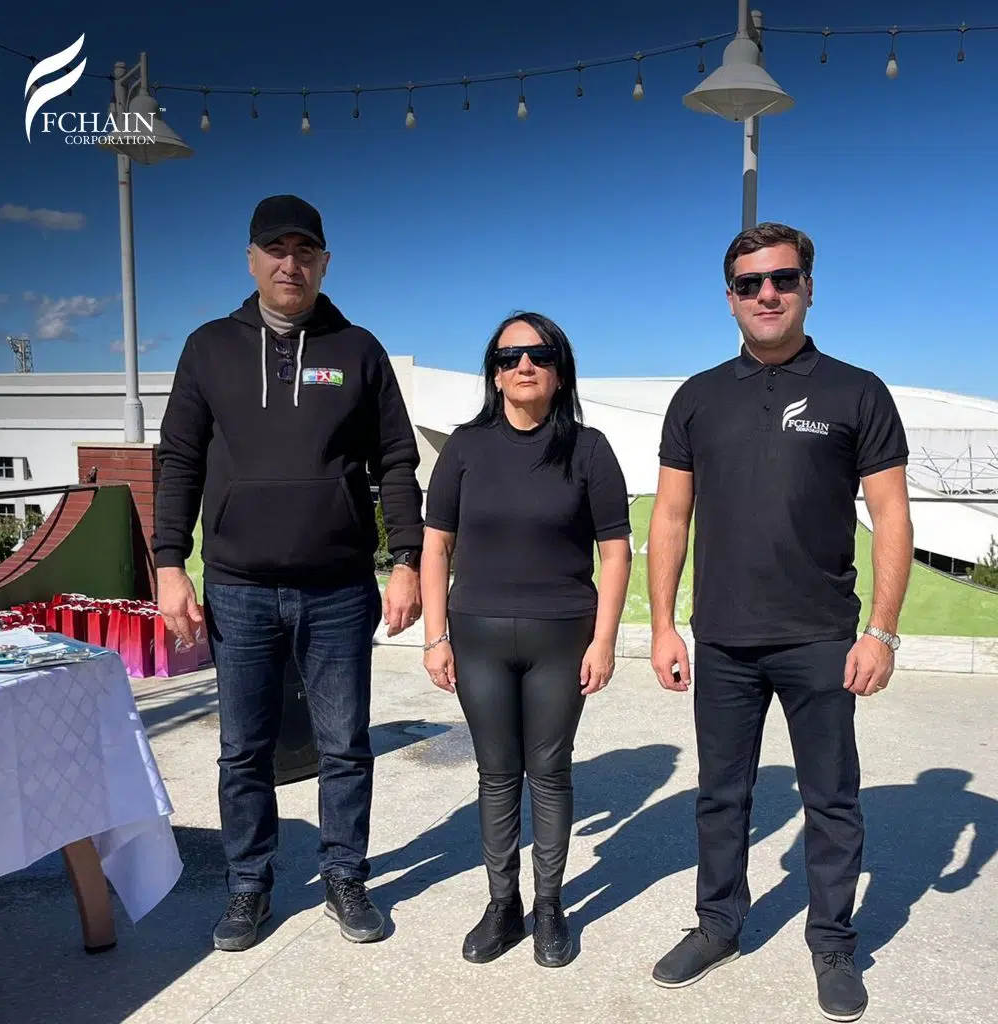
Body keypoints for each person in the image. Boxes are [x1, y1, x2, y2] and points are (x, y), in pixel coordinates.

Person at [647, 222, 913, 1022]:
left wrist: (881, 631)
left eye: (783, 279)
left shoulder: (856, 391)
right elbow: (670, 516)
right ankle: (718, 925)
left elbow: (892, 516)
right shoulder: (696, 397)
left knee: (831, 799)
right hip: (724, 640)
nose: (767, 294)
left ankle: (833, 943)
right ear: (729, 297)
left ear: (808, 288)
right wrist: (663, 626)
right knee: (720, 795)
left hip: (822, 638)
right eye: (749, 283)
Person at [152, 194, 425, 952]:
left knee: (344, 744)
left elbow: (396, 461)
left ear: (324, 263)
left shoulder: (358, 349)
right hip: (237, 587)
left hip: (339, 588)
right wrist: (169, 564)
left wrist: (406, 560)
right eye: (276, 250)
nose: (290, 264)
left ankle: (345, 876)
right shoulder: (210, 348)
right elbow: (178, 460)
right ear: (251, 259)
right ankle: (249, 885)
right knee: (244, 749)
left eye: (305, 251)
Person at [420, 312, 633, 968]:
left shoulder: (589, 449)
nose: (524, 365)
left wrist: (604, 641)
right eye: (509, 356)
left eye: (539, 355)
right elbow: (436, 545)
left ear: (560, 371)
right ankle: (501, 904)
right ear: (494, 373)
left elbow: (616, 551)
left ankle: (549, 906)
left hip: (561, 638)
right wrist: (434, 637)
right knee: (495, 773)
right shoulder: (464, 448)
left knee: (549, 770)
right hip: (477, 635)